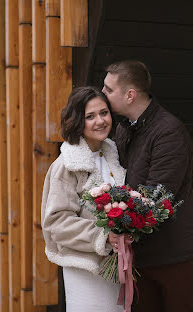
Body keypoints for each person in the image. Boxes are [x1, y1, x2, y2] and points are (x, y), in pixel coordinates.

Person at [102, 60, 193, 311]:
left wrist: (117, 225)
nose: (102, 94)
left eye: (108, 89)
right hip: (141, 258)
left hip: (175, 259)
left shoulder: (168, 132)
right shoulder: (124, 129)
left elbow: (156, 197)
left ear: (130, 95)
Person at [41, 86, 127, 312]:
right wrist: (103, 236)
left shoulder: (112, 156)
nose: (100, 121)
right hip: (84, 269)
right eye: (90, 116)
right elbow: (56, 223)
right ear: (78, 121)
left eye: (104, 113)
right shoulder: (66, 166)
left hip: (115, 266)